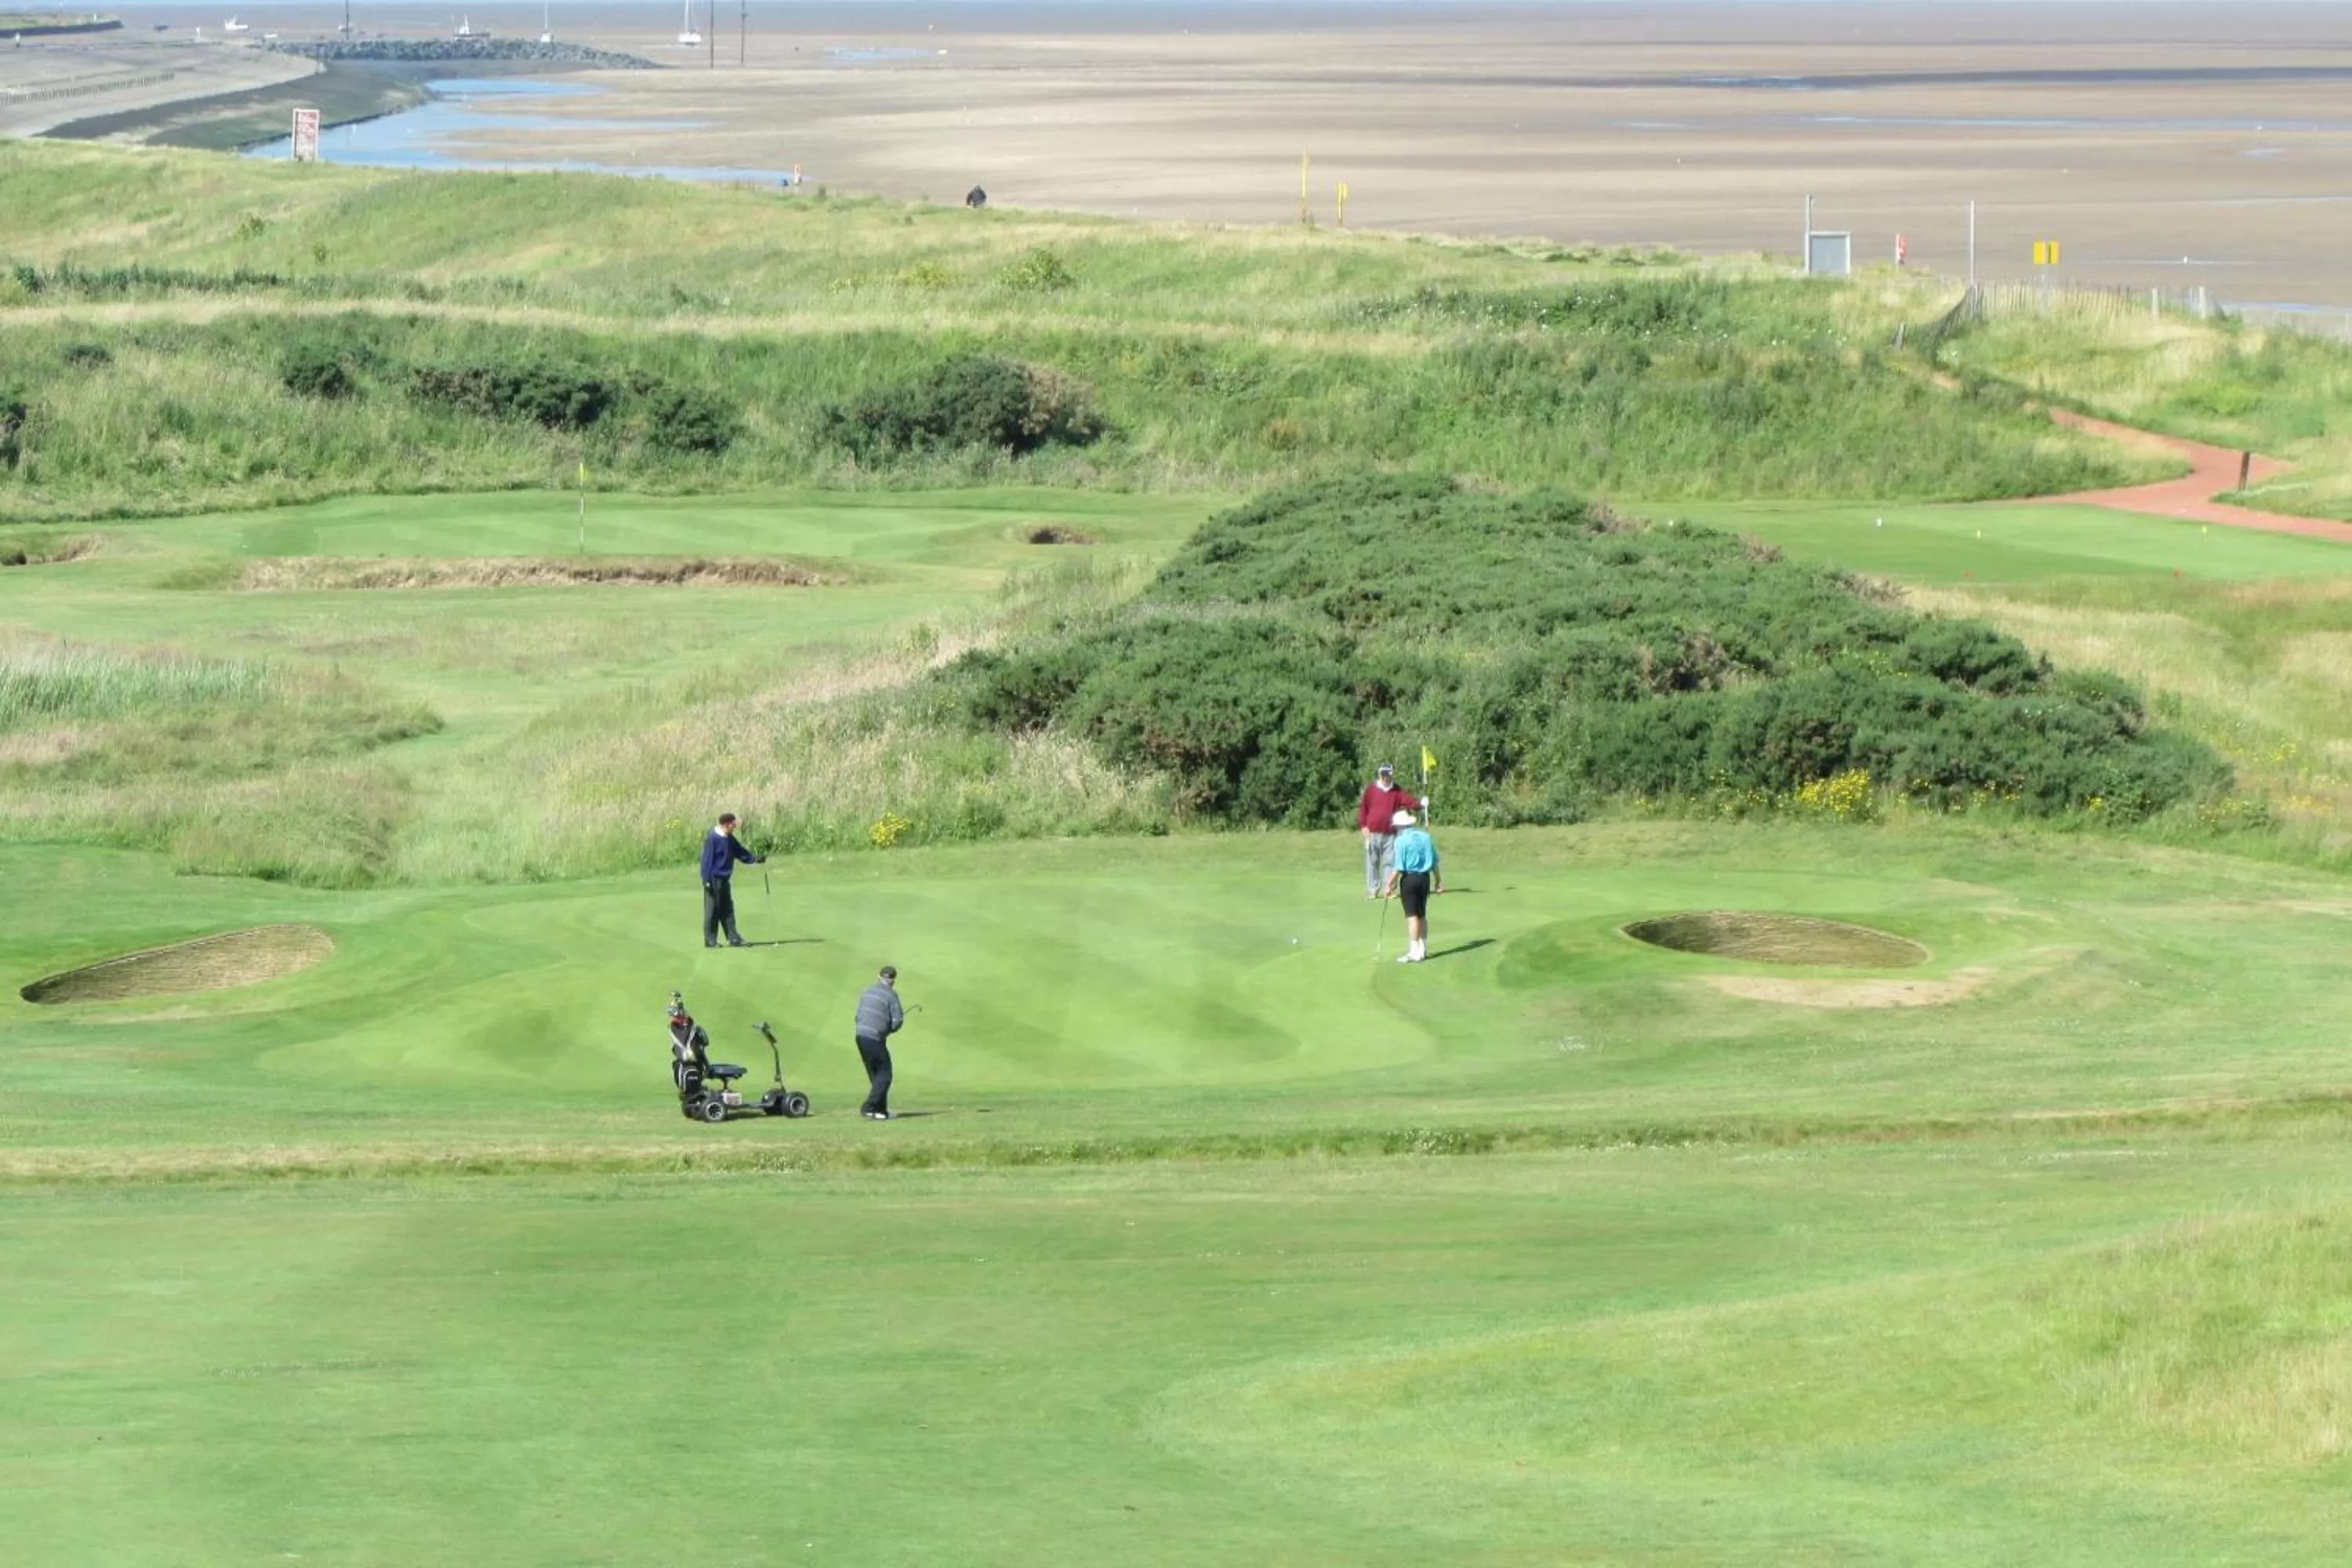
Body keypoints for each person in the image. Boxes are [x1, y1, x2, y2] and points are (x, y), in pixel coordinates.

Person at [1382, 809, 1442, 963]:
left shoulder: (1400, 841)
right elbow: (1434, 863)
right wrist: (1438, 882)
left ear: (1400, 826)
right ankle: (1423, 949)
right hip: (1425, 879)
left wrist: (1389, 883)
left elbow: (1399, 867)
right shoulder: (1426, 837)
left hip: (1410, 879)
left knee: (1412, 916)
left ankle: (1414, 951)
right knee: (1422, 914)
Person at [1356, 764, 1421, 900]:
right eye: (1383, 775)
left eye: (1388, 775)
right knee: (1372, 861)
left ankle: (1389, 889)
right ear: (1380, 775)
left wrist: (1420, 805)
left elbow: (1408, 800)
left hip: (1390, 832)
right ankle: (1373, 890)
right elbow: (1363, 808)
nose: (1386, 778)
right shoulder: (1372, 789)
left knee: (1390, 862)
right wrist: (1363, 826)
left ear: (1391, 775)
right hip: (1372, 831)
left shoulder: (1396, 790)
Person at [699, 811, 762, 948]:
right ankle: (711, 940)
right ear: (726, 824)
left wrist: (755, 859)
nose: (735, 827)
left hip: (724, 879)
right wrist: (706, 879)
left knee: (726, 908)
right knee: (713, 910)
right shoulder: (713, 838)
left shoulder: (729, 838)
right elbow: (706, 860)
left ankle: (733, 938)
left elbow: (740, 852)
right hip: (713, 878)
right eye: (733, 824)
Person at [853, 964, 906, 1120]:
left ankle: (880, 1111)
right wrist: (888, 1030)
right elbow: (898, 1021)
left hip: (860, 1036)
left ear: (879, 977)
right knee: (885, 1074)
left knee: (876, 1077)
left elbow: (857, 1016)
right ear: (893, 980)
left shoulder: (866, 991)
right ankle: (868, 1107)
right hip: (874, 1038)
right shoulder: (891, 995)